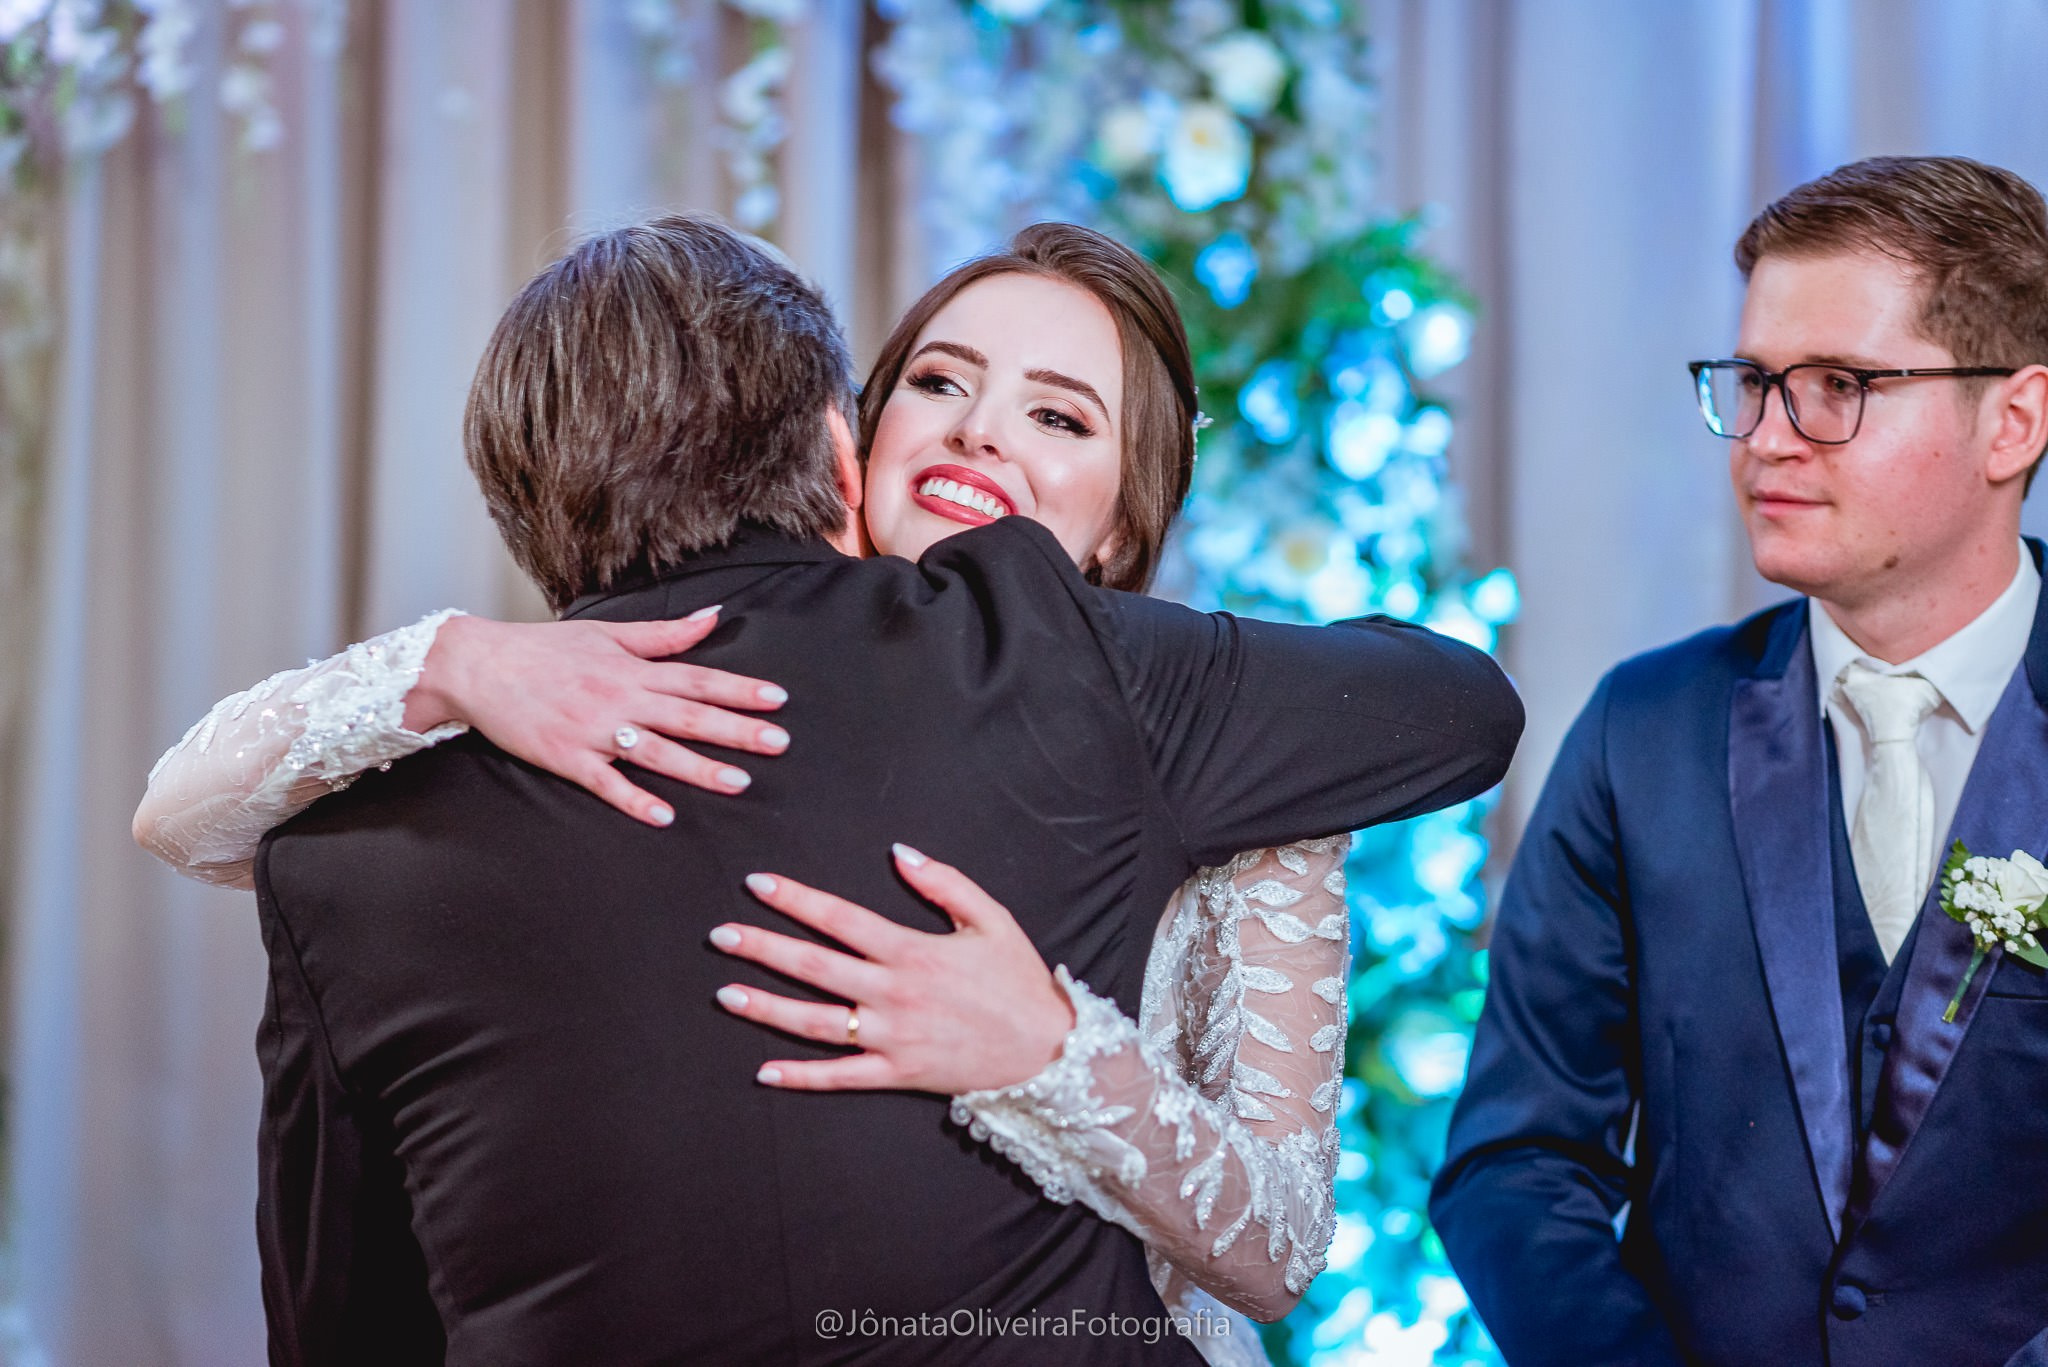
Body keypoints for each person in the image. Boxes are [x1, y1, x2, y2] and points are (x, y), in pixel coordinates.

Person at [202, 214, 1521, 1364]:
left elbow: (1278, 1247)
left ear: (1124, 520)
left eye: (1059, 414)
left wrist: (1053, 1052)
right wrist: (449, 658)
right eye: (941, 380)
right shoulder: (558, 703)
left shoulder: (1186, 719)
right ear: (848, 442)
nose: (979, 429)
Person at [1430, 155, 2048, 1367]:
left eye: (1836, 386)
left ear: (2011, 420)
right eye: (1753, 382)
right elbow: (1516, 1157)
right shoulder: (1641, 730)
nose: (1766, 437)